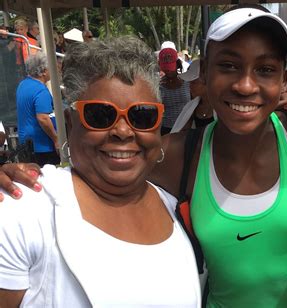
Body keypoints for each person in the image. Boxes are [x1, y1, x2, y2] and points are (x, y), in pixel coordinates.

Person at [0, 5, 287, 307]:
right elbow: (103, 163)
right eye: (229, 66)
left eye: (265, 70)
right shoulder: (178, 155)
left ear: (283, 83)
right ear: (202, 74)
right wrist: (20, 178)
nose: (246, 85)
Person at [0, 36, 201, 307]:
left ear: (157, 126)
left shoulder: (176, 209)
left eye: (142, 116)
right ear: (70, 124)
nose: (122, 131)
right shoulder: (23, 211)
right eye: (99, 115)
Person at [16, 52, 60, 166]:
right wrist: (56, 139)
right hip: (43, 147)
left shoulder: (23, 84)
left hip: (26, 145)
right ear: (44, 71)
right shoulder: (41, 90)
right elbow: (43, 118)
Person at [171, 59, 214, 132]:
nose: (190, 86)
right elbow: (181, 131)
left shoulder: (222, 108)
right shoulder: (190, 107)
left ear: (207, 82)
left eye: (194, 82)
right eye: (189, 82)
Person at [159, 47, 191, 134]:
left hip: (186, 128)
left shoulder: (188, 82)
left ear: (177, 64)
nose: (168, 71)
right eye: (166, 68)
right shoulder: (158, 86)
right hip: (166, 129)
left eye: (170, 67)